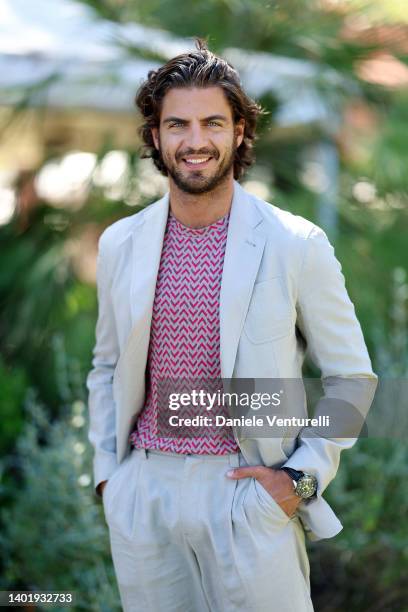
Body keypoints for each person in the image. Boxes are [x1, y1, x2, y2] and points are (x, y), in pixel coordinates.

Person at [86, 38, 378, 612]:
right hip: (146, 494)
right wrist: (109, 478)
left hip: (249, 489)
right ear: (154, 136)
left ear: (240, 131)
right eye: (177, 125)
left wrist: (297, 481)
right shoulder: (120, 243)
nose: (195, 141)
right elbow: (108, 364)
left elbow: (353, 378)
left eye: (213, 123)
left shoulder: (295, 243)